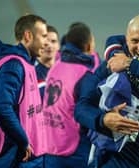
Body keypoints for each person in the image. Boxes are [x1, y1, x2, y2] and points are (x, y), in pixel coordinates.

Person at [75, 14, 139, 168]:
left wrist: (131, 64)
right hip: (118, 159)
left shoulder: (131, 63)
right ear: (126, 39)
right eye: (135, 41)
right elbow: (81, 108)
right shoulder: (112, 65)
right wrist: (103, 120)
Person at [0, 14, 48, 168]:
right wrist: (23, 140)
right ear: (28, 36)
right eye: (43, 36)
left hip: (22, 157)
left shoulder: (25, 64)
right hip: (15, 158)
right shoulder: (14, 65)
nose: (46, 43)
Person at [41, 22, 99, 168]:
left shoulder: (56, 66)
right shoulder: (83, 74)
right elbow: (88, 113)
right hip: (73, 151)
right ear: (88, 46)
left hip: (49, 145)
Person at [35, 25, 60, 98]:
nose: (49, 45)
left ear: (58, 46)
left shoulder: (65, 71)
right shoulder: (30, 72)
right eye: (45, 42)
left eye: (53, 41)